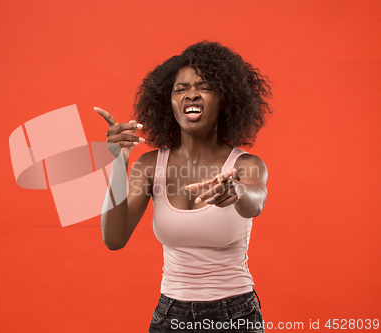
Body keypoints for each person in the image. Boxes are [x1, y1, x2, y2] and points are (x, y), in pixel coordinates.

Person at [95, 41, 272, 333]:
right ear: (171, 103)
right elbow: (114, 239)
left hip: (236, 315)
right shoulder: (150, 166)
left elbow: (256, 201)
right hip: (170, 316)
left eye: (204, 86)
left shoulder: (246, 165)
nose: (191, 93)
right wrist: (117, 163)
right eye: (180, 89)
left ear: (224, 99)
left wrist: (237, 191)